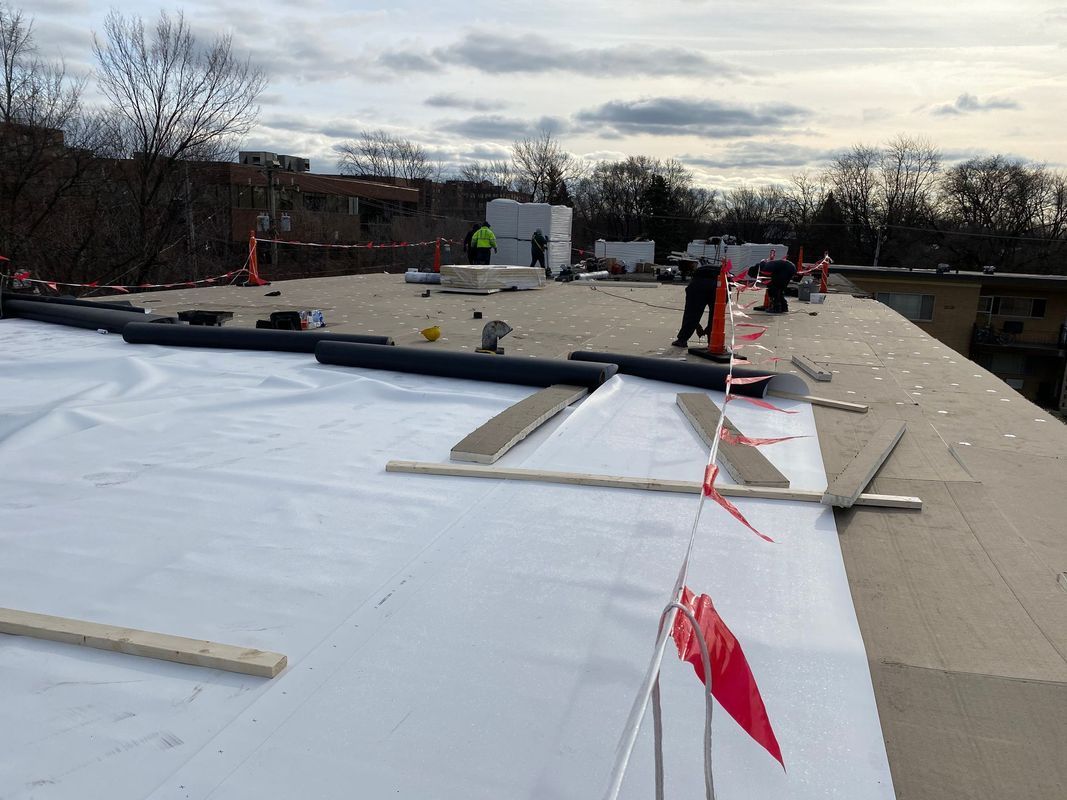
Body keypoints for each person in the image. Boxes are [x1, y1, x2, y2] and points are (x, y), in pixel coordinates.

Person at [672, 260, 721, 347]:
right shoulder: (723, 275)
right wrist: (709, 328)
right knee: (717, 315)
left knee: (691, 312)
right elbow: (717, 314)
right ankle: (712, 341)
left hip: (699, 284)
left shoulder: (697, 275)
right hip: (720, 285)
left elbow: (691, 312)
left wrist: (696, 326)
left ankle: (682, 340)